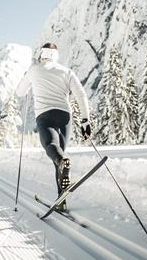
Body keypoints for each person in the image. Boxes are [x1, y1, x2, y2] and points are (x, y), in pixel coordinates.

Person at [16, 42, 91, 211]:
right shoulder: (66, 72)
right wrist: (85, 120)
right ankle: (61, 199)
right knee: (60, 156)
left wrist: (27, 78)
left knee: (53, 149)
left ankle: (61, 184)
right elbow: (80, 94)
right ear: (56, 55)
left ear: (41, 54)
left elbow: (19, 92)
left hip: (45, 116)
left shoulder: (34, 69)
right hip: (65, 116)